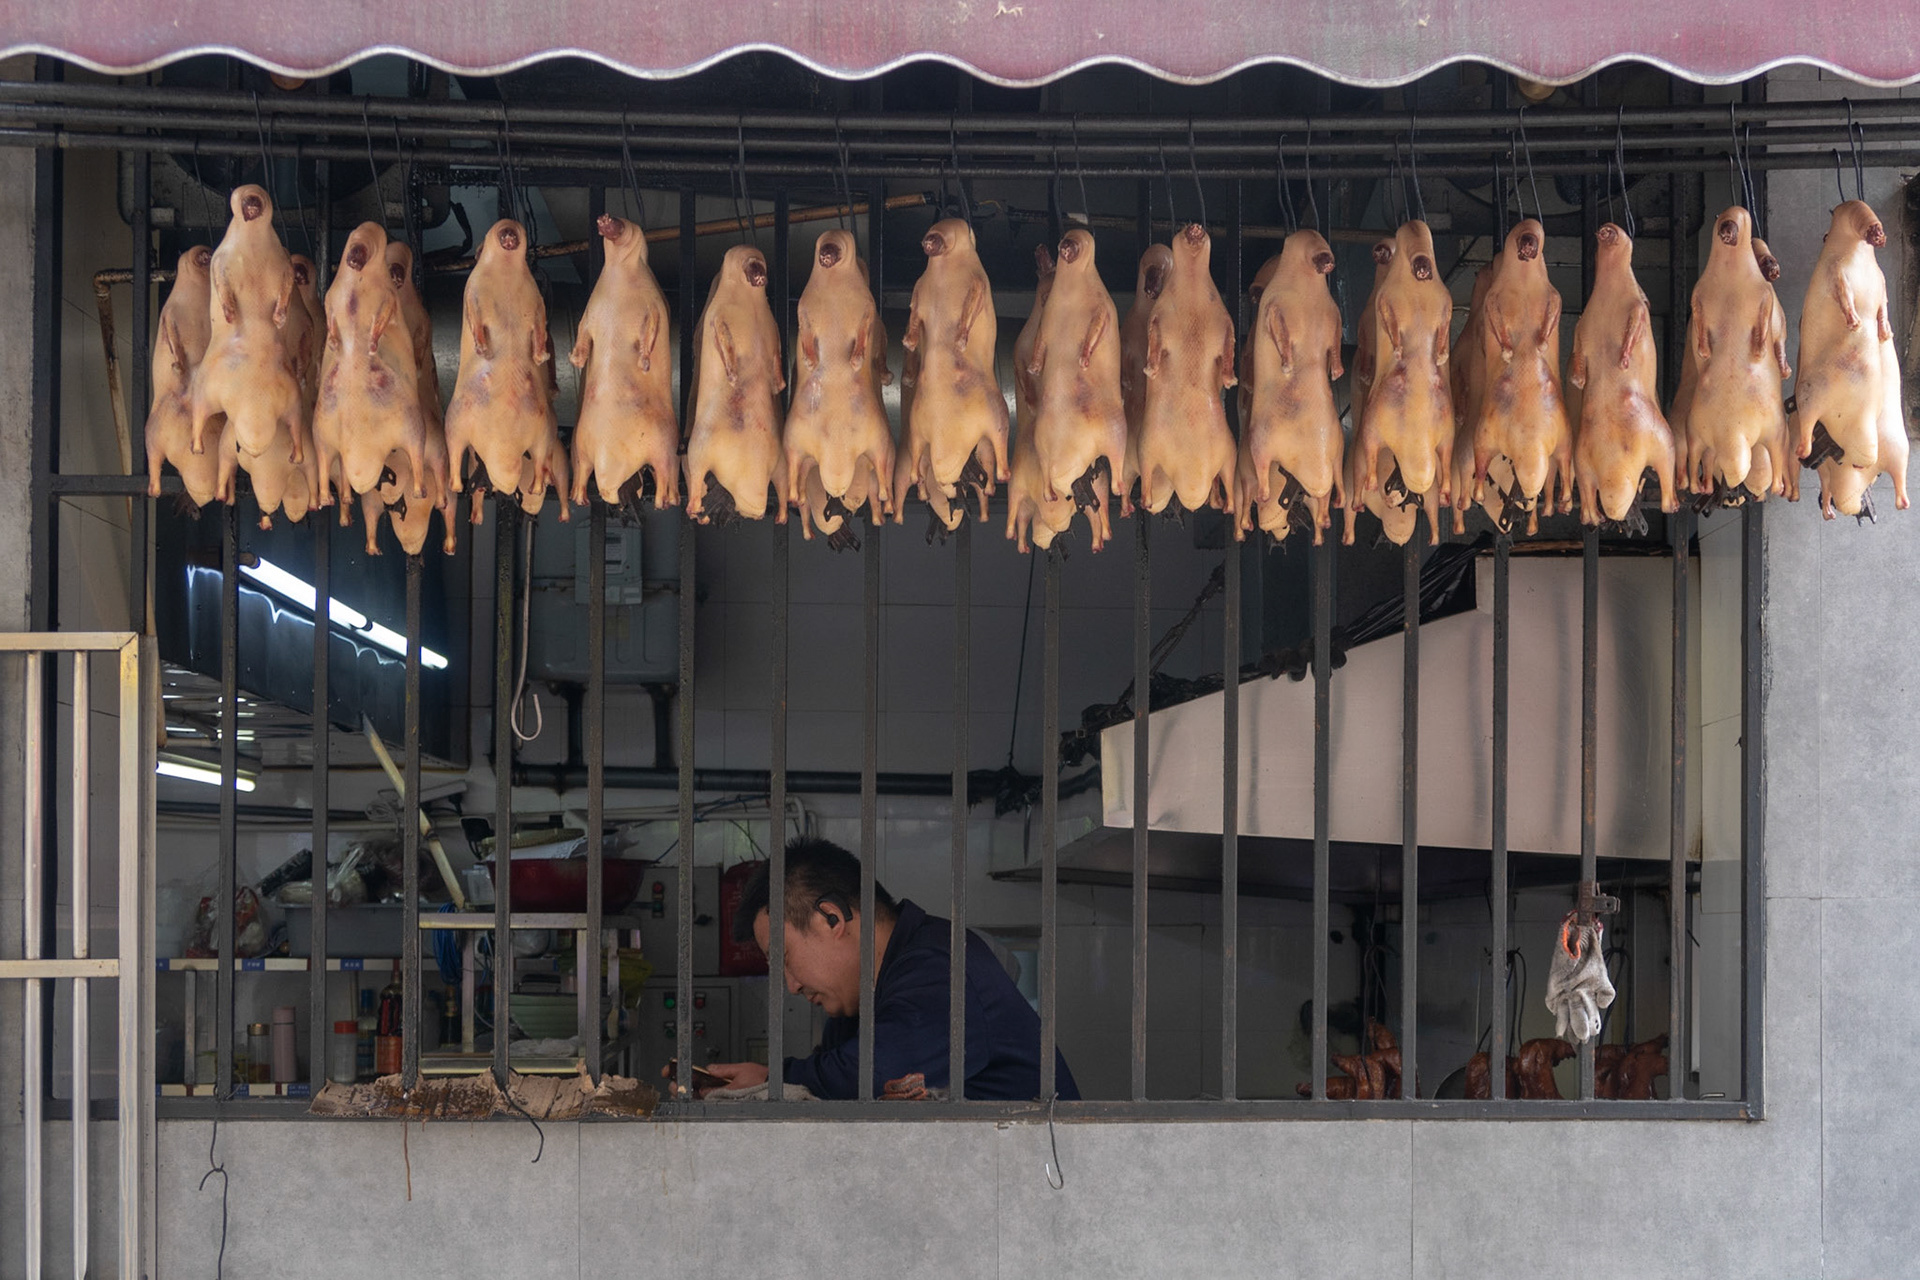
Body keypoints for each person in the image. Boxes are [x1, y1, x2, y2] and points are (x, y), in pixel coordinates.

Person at [699, 837, 1079, 1101]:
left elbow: (873, 1074)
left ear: (831, 918)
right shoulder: (863, 1002)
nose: (791, 985)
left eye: (783, 956)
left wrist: (769, 1080)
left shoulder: (938, 966)